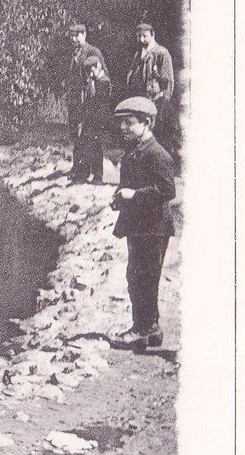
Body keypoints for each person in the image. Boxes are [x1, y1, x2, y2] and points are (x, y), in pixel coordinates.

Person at [109, 96, 177, 352]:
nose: (123, 128)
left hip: (154, 227)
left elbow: (167, 191)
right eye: (121, 124)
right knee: (137, 276)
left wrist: (135, 196)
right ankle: (149, 328)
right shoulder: (133, 151)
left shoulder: (157, 154)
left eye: (129, 123)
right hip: (138, 225)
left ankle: (142, 329)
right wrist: (119, 198)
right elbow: (128, 183)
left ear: (147, 122)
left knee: (145, 277)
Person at [64, 22, 113, 183]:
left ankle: (87, 172)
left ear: (84, 34)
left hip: (90, 101)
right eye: (71, 36)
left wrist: (92, 88)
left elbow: (102, 73)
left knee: (89, 137)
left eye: (76, 35)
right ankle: (78, 169)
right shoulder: (74, 53)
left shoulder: (92, 51)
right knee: (78, 136)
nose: (73, 39)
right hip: (77, 101)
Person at [126, 21, 179, 151]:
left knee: (155, 135)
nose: (141, 39)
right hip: (140, 101)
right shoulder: (138, 54)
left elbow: (167, 81)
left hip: (155, 103)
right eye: (138, 36)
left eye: (144, 36)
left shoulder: (161, 53)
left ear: (152, 34)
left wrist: (162, 105)